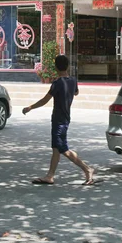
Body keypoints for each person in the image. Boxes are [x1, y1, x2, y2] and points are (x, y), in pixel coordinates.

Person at [22, 55, 95, 185]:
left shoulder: (57, 83)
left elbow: (45, 100)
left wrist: (30, 107)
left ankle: (87, 169)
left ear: (56, 67)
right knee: (56, 148)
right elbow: (76, 93)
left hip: (59, 120)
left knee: (63, 149)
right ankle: (50, 176)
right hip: (65, 118)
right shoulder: (72, 80)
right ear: (67, 66)